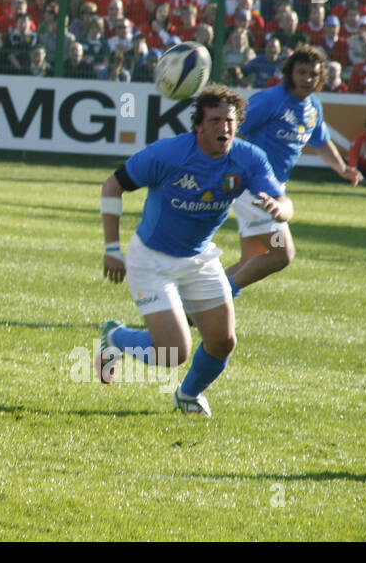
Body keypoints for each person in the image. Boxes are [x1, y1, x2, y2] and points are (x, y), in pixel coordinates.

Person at [98, 84, 292, 417]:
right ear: (199, 125)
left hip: (200, 259)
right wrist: (112, 248)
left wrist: (281, 209)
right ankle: (116, 338)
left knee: (223, 341)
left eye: (230, 121)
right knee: (174, 352)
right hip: (151, 260)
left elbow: (284, 202)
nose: (225, 128)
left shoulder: (248, 158)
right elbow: (113, 185)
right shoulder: (168, 154)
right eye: (216, 121)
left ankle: (188, 395)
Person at [224, 45, 361, 299]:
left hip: (274, 188)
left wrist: (342, 169)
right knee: (281, 254)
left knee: (251, 262)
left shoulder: (313, 107)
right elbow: (235, 130)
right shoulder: (270, 100)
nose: (307, 79)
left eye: (313, 74)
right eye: (301, 72)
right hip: (254, 188)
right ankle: (213, 302)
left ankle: (194, 303)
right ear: (290, 73)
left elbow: (321, 142)